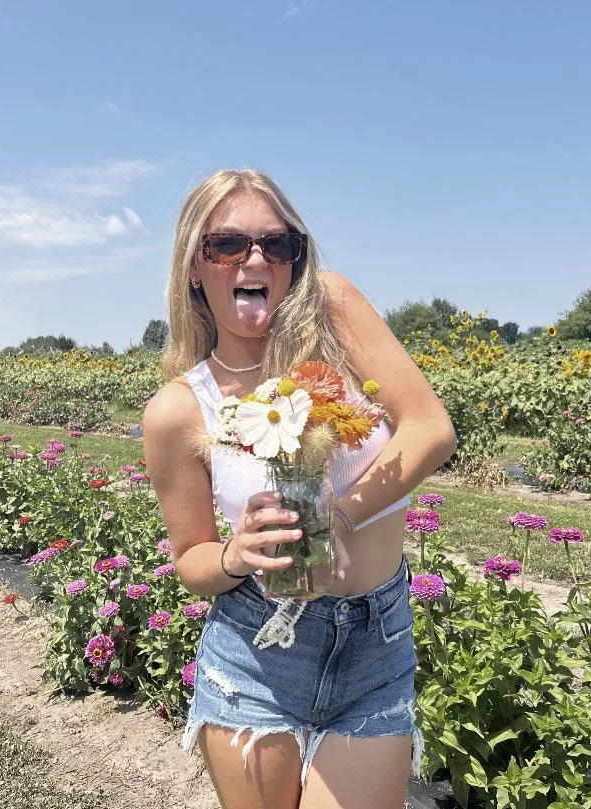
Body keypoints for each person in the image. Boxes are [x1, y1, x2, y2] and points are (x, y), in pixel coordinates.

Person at [143, 169, 456, 809]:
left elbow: (430, 428)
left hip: (376, 641)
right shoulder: (179, 411)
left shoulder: (335, 316)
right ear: (194, 268)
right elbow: (192, 563)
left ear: (295, 259)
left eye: (275, 244)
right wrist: (235, 554)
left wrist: (341, 517)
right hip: (256, 650)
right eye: (226, 245)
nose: (254, 258)